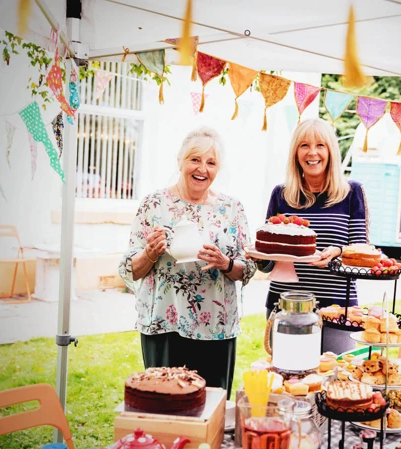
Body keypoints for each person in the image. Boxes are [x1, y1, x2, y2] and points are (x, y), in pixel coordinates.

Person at [118, 128, 256, 399]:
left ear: (218, 168)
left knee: (212, 409)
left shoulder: (232, 208)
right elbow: (130, 269)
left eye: (211, 162)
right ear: (180, 161)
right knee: (165, 405)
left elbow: (248, 267)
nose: (202, 168)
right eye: (195, 159)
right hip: (164, 325)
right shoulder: (154, 205)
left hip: (217, 330)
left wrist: (225, 263)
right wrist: (150, 254)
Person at [258, 118, 369, 354]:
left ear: (331, 151)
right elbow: (267, 263)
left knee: (334, 380)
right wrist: (257, 256)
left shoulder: (352, 193)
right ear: (295, 153)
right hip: (286, 304)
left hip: (338, 307)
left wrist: (337, 252)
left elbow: (361, 252)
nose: (312, 153)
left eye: (320, 145)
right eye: (304, 145)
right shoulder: (281, 194)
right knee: (289, 380)